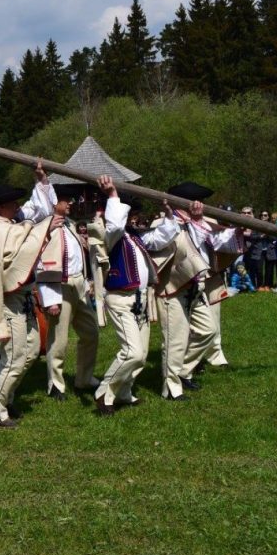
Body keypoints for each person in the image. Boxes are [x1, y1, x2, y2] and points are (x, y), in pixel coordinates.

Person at [0, 161, 57, 429]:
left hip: (22, 297)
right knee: (13, 357)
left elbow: (36, 215)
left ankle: (6, 398)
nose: (17, 206)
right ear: (0, 206)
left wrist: (41, 180)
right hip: (8, 299)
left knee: (30, 351)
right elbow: (16, 251)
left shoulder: (7, 225)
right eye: (12, 202)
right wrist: (44, 228)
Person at [90, 178, 179, 415]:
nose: (132, 217)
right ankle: (104, 392)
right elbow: (115, 227)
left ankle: (123, 392)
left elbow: (160, 239)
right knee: (133, 352)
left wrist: (170, 215)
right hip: (120, 298)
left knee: (141, 356)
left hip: (140, 300)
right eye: (129, 212)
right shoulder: (106, 235)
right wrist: (113, 195)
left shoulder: (134, 236)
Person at [149, 182, 240, 400]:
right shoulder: (164, 223)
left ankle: (183, 371)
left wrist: (239, 228)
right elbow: (161, 244)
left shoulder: (199, 222)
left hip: (196, 287)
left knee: (208, 331)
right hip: (173, 289)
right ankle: (171, 388)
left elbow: (217, 242)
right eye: (199, 202)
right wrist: (196, 221)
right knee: (175, 340)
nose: (202, 206)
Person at [37, 189, 102, 402]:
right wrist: (50, 299)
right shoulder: (45, 228)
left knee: (91, 332)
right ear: (54, 203)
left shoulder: (70, 225)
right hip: (60, 286)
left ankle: (84, 378)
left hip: (78, 284)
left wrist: (85, 281)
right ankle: (55, 384)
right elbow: (43, 265)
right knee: (59, 339)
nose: (70, 204)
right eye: (66, 200)